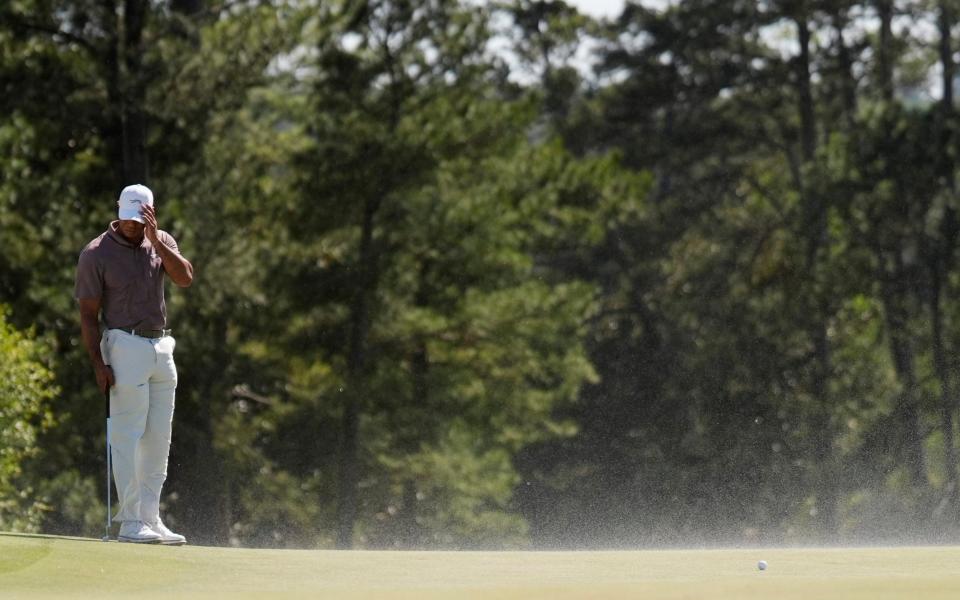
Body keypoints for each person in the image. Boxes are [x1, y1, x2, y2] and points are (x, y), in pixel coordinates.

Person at [75, 184, 194, 544]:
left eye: (139, 219)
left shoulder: (160, 241)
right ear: (118, 212)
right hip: (123, 345)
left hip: (161, 346)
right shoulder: (96, 253)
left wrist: (157, 241)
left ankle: (149, 517)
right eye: (127, 218)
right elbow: (87, 316)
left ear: (151, 213)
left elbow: (185, 278)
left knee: (158, 437)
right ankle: (129, 522)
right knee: (126, 436)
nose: (132, 225)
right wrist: (98, 364)